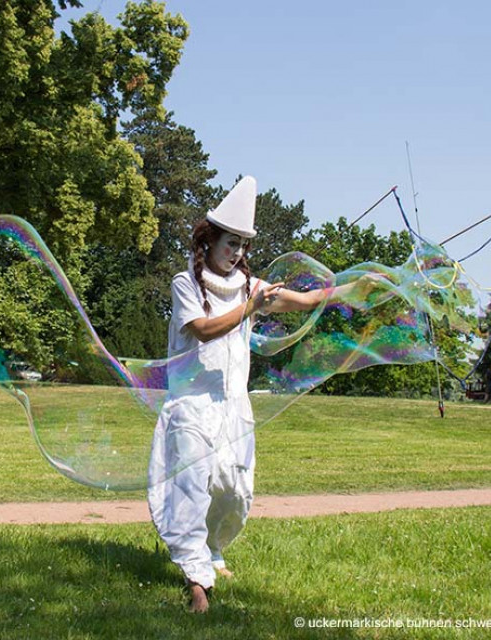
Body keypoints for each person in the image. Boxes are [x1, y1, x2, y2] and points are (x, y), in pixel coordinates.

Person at [147, 176, 334, 613]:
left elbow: (304, 303)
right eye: (231, 244)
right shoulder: (186, 284)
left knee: (232, 489)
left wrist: (352, 291)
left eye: (244, 247)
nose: (238, 253)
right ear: (209, 242)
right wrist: (250, 307)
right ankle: (196, 576)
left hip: (233, 407)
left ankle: (213, 549)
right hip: (191, 405)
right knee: (192, 485)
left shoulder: (252, 288)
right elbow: (204, 330)